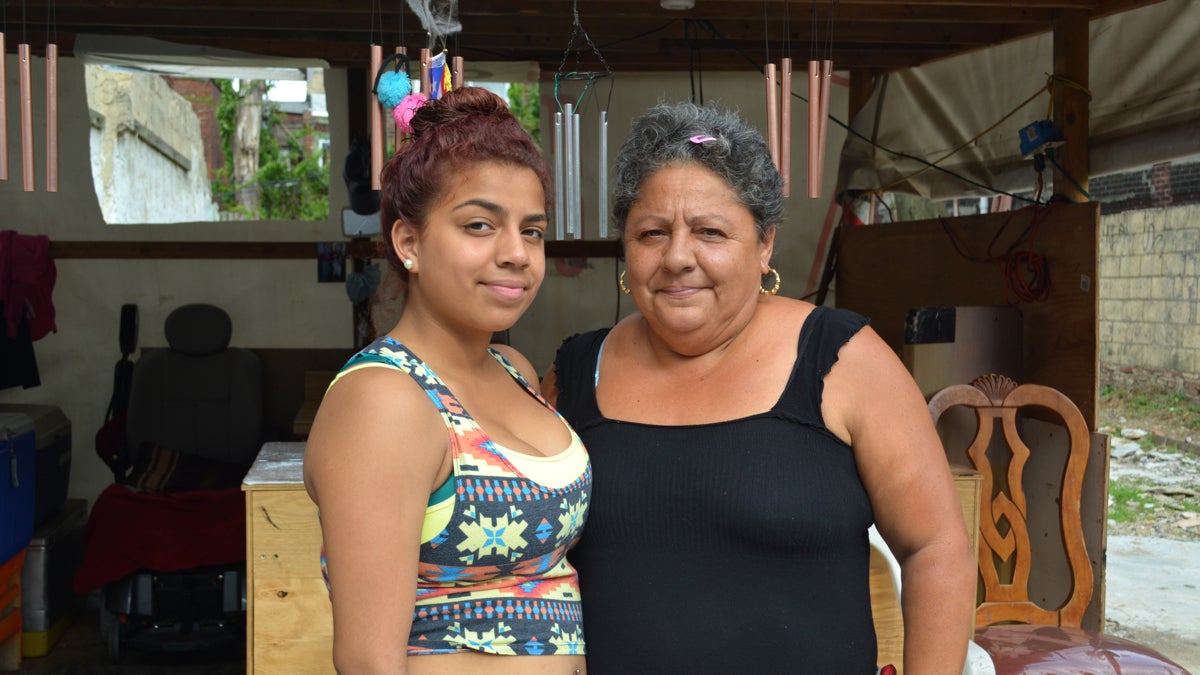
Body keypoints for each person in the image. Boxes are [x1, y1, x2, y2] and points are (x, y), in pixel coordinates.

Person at [542, 102, 976, 674]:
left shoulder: (843, 358)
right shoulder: (576, 372)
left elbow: (937, 549)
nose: (677, 257)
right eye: (652, 233)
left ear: (765, 244)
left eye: (710, 232)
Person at [304, 87, 590, 675]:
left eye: (532, 231)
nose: (516, 253)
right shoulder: (385, 401)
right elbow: (367, 662)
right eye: (480, 225)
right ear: (409, 242)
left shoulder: (515, 371)